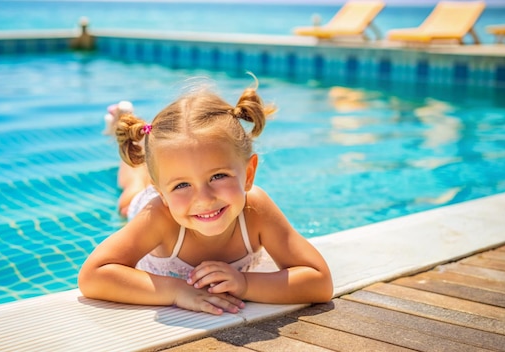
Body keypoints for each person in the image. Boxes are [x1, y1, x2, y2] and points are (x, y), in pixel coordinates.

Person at [79, 77, 333, 315]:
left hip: (168, 190)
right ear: (162, 194)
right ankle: (128, 134)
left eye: (218, 176)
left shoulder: (256, 209)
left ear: (248, 174)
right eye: (182, 185)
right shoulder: (159, 214)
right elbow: (93, 276)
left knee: (165, 169)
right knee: (131, 190)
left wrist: (245, 284)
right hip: (144, 205)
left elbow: (320, 282)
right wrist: (176, 291)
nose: (204, 198)